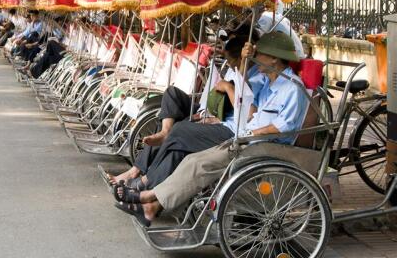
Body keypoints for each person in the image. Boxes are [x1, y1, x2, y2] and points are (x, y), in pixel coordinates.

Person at [113, 32, 310, 226]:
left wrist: (251, 133)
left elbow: (284, 127)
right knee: (191, 159)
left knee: (196, 160)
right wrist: (243, 62)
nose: (255, 59)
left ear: (274, 59)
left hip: (261, 146)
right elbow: (247, 105)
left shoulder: (293, 89)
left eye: (259, 54)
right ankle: (152, 206)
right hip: (244, 138)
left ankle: (148, 193)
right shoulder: (268, 82)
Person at [107, 35, 258, 188]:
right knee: (172, 94)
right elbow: (218, 98)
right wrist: (207, 110)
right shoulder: (234, 71)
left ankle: (142, 177)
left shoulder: (257, 79)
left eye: (231, 60)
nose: (229, 64)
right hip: (212, 110)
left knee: (179, 129)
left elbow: (246, 114)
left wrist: (226, 93)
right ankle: (164, 134)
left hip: (229, 124)